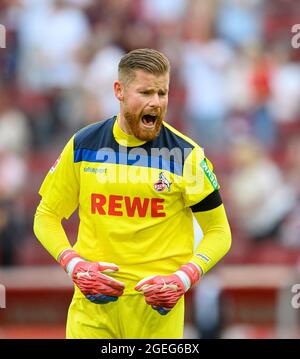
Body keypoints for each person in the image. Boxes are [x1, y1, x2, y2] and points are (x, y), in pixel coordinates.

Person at [33, 48, 231, 339]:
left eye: (162, 93)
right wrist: (73, 264)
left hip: (156, 314)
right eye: (146, 92)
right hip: (92, 308)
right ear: (119, 91)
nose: (156, 102)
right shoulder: (83, 146)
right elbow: (46, 216)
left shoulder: (186, 155)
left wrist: (183, 278)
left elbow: (219, 231)